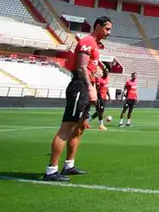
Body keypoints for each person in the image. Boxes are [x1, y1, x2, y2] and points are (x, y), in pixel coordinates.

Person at [44, 16, 112, 181]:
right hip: (79, 87)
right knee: (67, 128)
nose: (109, 32)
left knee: (80, 128)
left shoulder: (95, 44)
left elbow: (90, 68)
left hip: (86, 88)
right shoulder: (87, 41)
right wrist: (90, 88)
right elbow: (81, 68)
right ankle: (51, 171)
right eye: (107, 29)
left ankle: (69, 165)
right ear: (97, 26)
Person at [92, 66, 110, 131]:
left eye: (108, 71)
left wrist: (109, 96)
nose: (107, 72)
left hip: (104, 97)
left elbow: (107, 88)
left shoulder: (107, 79)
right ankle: (101, 125)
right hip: (100, 97)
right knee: (100, 111)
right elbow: (97, 89)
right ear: (103, 72)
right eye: (106, 71)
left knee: (99, 111)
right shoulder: (100, 80)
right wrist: (96, 97)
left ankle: (87, 122)